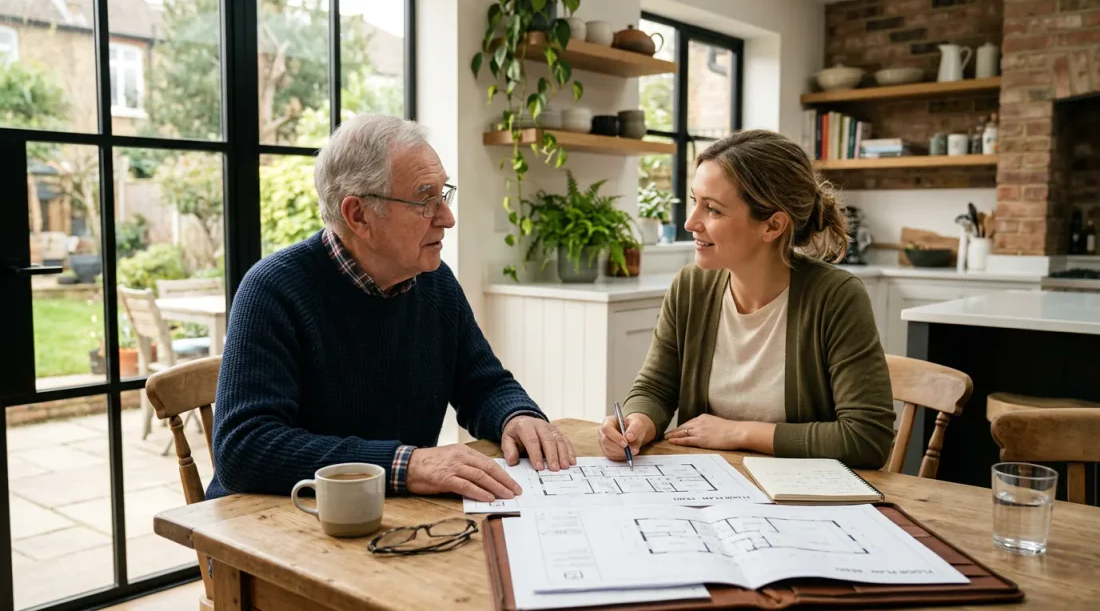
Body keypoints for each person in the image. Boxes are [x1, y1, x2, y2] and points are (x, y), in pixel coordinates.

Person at [209, 114, 574, 503]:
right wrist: (407, 465)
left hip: (385, 514)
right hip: (277, 525)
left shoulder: (435, 281)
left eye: (443, 194)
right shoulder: (273, 289)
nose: (447, 218)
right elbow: (243, 448)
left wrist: (516, 415)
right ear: (358, 215)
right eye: (424, 200)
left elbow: (482, 383)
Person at [598, 129, 895, 468]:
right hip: (707, 493)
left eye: (713, 210)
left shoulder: (835, 297)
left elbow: (867, 438)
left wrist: (740, 433)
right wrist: (637, 424)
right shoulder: (690, 286)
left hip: (801, 501)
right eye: (695, 202)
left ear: (773, 226)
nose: (690, 222)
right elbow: (656, 388)